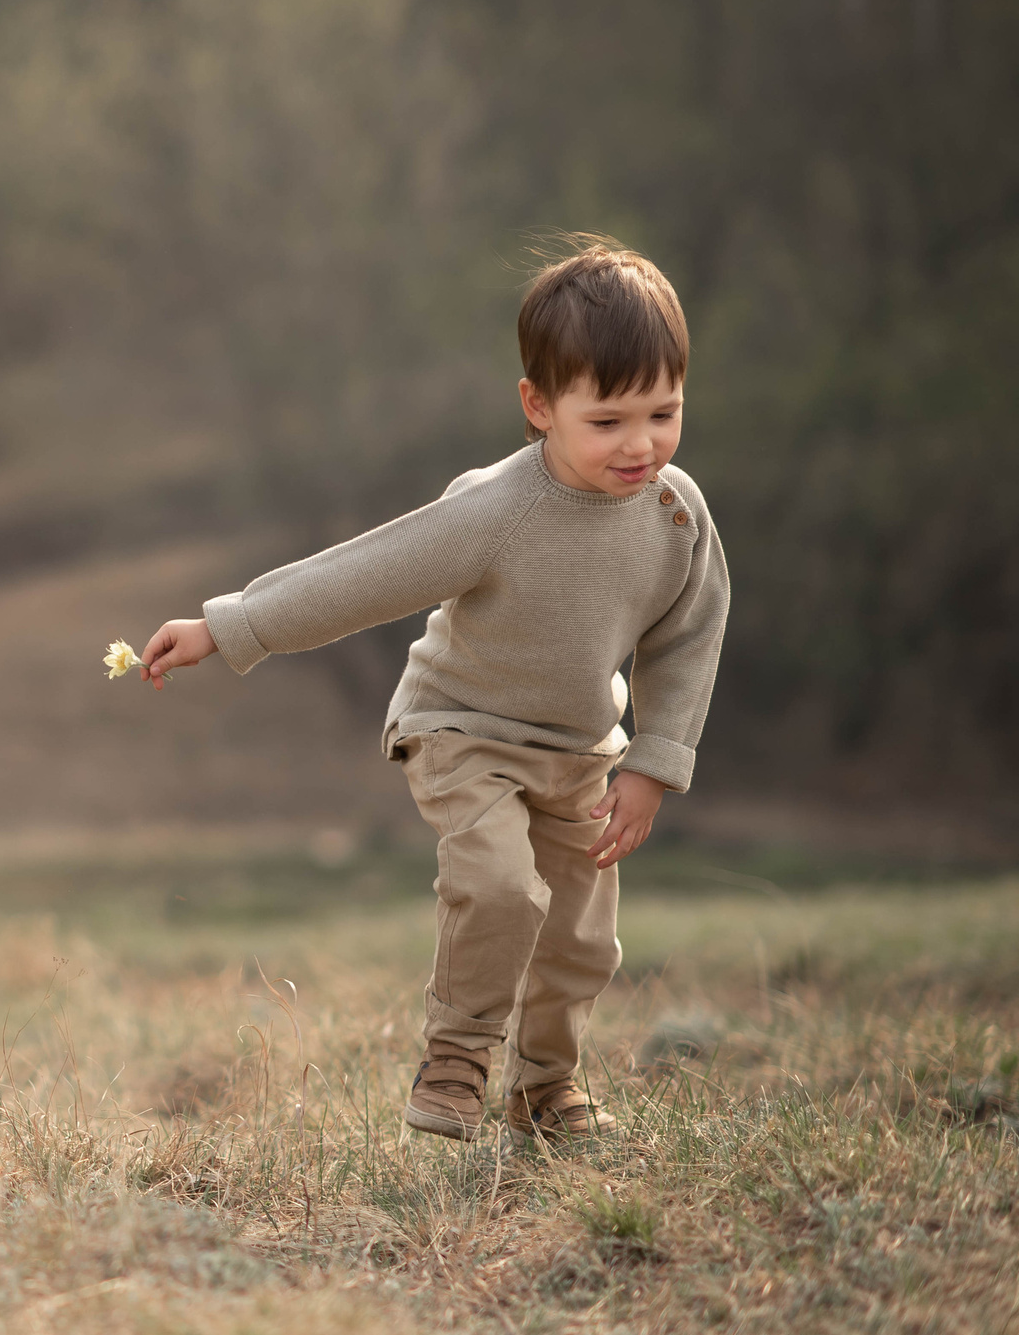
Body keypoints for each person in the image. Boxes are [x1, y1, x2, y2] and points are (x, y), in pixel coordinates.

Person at [135, 240, 730, 1142]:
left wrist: (654, 761)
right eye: (608, 420)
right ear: (539, 406)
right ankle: (455, 1060)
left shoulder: (675, 515)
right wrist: (229, 626)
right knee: (501, 888)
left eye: (664, 412)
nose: (641, 443)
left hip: (580, 753)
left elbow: (688, 636)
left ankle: (546, 1091)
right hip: (463, 730)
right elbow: (369, 573)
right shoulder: (497, 509)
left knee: (580, 939)